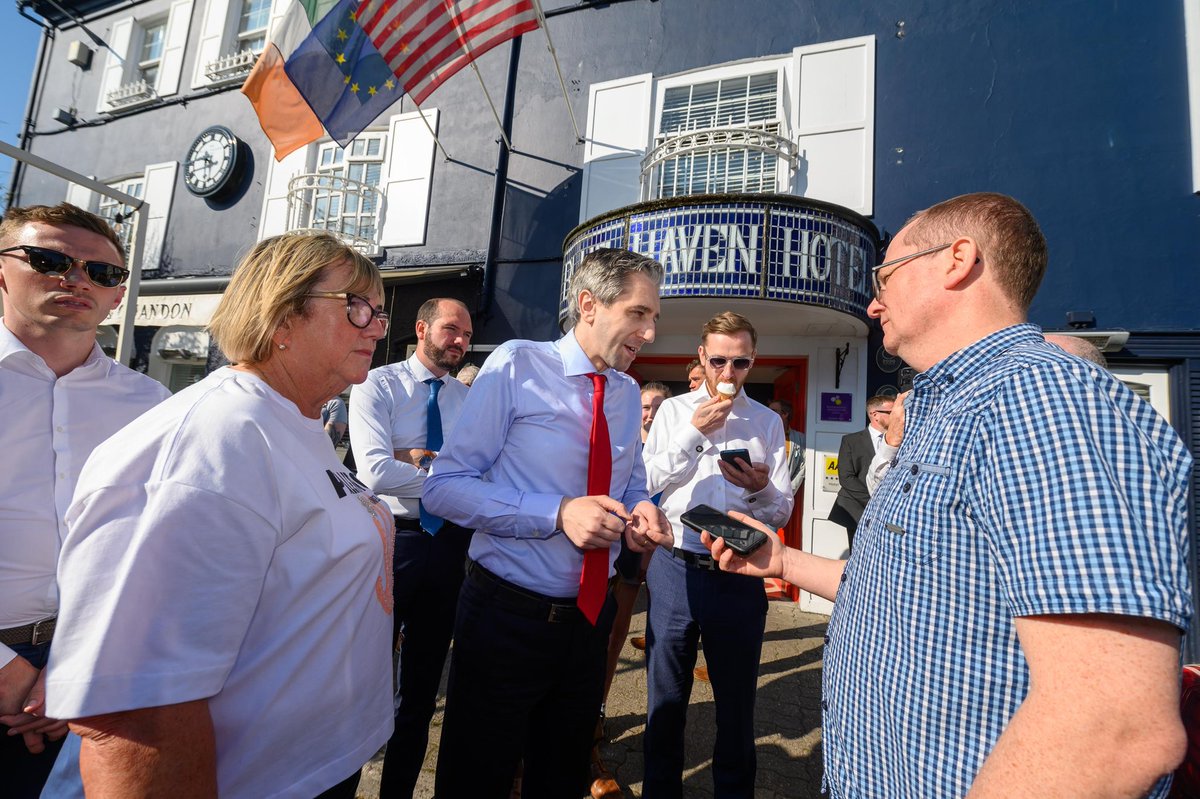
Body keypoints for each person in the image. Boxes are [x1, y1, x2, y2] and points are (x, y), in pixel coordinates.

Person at [700, 192, 1191, 798]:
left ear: (957, 259)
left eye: (885, 273)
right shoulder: (954, 411)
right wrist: (782, 562)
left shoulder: (1044, 403)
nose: (874, 300)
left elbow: (1112, 728)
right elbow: (915, 589)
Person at [43, 232, 395, 798]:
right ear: (282, 315)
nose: (376, 326)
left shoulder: (291, 420)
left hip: (310, 768)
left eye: (379, 311)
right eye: (355, 307)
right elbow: (137, 714)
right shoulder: (208, 441)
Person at [423, 247, 674, 797]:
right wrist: (558, 513)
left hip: (591, 618)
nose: (651, 332)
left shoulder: (629, 393)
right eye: (638, 314)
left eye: (654, 317)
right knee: (476, 778)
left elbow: (626, 482)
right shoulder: (517, 364)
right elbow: (444, 487)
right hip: (505, 617)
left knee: (559, 777)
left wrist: (642, 508)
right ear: (589, 305)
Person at [0, 203, 170, 798]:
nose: (76, 280)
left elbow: (151, 548)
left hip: (90, 677)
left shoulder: (151, 406)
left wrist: (73, 671)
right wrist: (5, 671)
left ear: (119, 296)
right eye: (49, 260)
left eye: (101, 273)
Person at [641, 311, 792, 798]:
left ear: (754, 361)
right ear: (702, 357)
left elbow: (782, 509)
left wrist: (762, 488)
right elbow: (648, 482)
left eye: (741, 362)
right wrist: (692, 433)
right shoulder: (672, 411)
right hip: (675, 567)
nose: (728, 374)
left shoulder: (766, 421)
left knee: (735, 703)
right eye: (720, 360)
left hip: (738, 570)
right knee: (665, 699)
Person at [350, 297, 474, 799]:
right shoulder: (378, 384)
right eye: (451, 329)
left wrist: (420, 463)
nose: (460, 341)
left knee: (421, 689)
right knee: (367, 681)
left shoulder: (467, 402)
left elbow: (481, 474)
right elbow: (375, 472)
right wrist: (448, 475)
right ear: (421, 328)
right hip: (392, 543)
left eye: (466, 334)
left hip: (448, 547)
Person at [828, 394, 893, 549]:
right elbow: (846, 477)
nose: (897, 416)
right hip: (857, 509)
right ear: (875, 415)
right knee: (858, 554)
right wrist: (874, 501)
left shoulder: (900, 441)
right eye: (891, 412)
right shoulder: (851, 441)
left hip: (890, 511)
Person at [768, 398, 806, 496]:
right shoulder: (762, 436)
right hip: (761, 491)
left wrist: (789, 491)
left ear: (785, 414)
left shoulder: (799, 438)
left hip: (784, 494)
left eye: (773, 412)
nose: (768, 414)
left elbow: (802, 467)